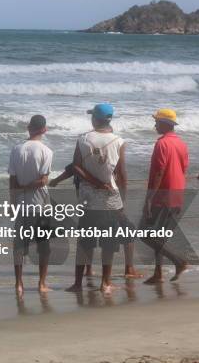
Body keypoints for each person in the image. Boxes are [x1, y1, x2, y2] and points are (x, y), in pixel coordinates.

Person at [66, 104, 127, 294]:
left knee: (85, 242)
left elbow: (76, 166)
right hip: (111, 200)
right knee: (108, 243)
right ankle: (105, 283)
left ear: (94, 119)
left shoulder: (83, 139)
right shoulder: (119, 141)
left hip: (87, 200)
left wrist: (94, 183)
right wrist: (122, 200)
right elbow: (122, 174)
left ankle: (77, 284)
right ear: (109, 120)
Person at [51, 161, 141, 279]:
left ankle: (88, 270)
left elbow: (71, 170)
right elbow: (117, 177)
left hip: (87, 204)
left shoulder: (82, 160)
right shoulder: (102, 158)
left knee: (88, 236)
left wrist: (56, 181)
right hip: (107, 204)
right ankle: (128, 269)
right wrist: (121, 201)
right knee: (127, 229)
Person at [141, 109, 189, 284]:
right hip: (177, 194)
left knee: (145, 234)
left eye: (157, 121)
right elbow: (184, 169)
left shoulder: (162, 144)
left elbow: (159, 172)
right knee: (159, 236)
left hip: (163, 196)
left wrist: (149, 198)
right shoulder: (182, 144)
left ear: (165, 124)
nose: (154, 125)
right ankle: (158, 273)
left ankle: (179, 261)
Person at [8, 115, 53, 297]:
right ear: (44, 130)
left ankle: (19, 284)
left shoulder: (16, 150)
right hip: (40, 205)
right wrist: (27, 187)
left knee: (19, 246)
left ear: (29, 128)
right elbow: (43, 180)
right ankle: (41, 283)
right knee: (44, 246)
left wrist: (12, 202)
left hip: (21, 205)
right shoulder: (46, 151)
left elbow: (11, 180)